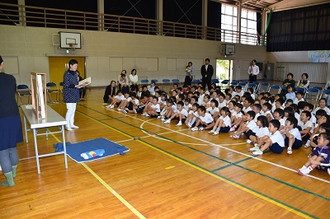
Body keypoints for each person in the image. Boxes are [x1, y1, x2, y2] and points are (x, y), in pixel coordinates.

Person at [0, 56, 23, 186]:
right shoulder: (11, 78)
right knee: (12, 147)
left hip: (1, 118)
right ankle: (13, 173)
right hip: (13, 116)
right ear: (2, 64)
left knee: (2, 150)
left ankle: (10, 180)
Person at [63, 59, 83, 131]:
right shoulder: (66, 74)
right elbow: (66, 84)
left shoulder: (75, 73)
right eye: (75, 65)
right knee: (70, 109)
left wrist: (80, 85)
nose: (76, 67)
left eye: (77, 66)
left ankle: (71, 123)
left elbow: (76, 83)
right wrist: (75, 86)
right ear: (70, 66)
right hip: (68, 94)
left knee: (73, 109)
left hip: (75, 93)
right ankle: (67, 125)